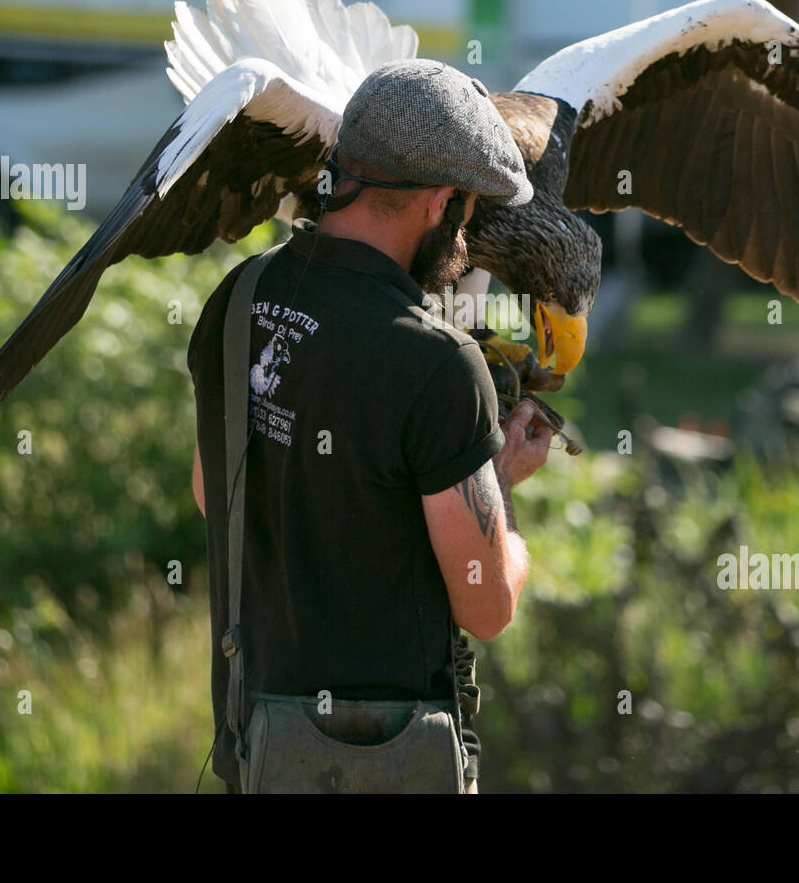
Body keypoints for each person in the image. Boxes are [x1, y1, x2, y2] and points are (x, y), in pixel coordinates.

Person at [188, 59, 553, 793]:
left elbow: (210, 493)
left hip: (259, 756)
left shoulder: (240, 298)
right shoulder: (437, 361)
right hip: (387, 766)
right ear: (442, 201)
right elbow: (487, 604)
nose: (468, 232)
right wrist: (501, 490)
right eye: (469, 210)